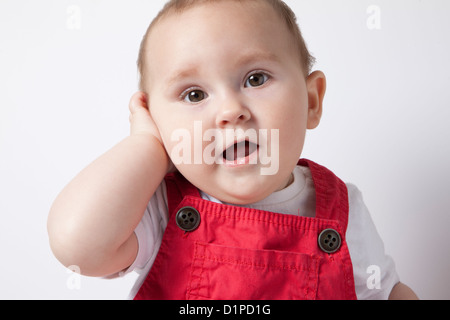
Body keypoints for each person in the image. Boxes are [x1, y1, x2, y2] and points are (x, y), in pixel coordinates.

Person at [48, 0, 418, 300]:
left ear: (311, 101)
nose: (229, 111)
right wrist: (146, 147)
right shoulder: (159, 206)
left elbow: (384, 293)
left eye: (255, 79)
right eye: (194, 95)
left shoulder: (345, 209)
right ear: (155, 120)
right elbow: (78, 246)